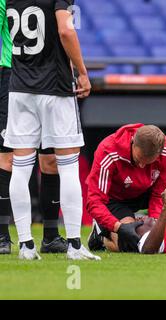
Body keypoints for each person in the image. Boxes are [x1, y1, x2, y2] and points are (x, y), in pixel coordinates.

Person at [4, 0, 97, 260]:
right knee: (67, 166)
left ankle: (25, 245)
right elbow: (66, 30)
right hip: (54, 87)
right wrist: (82, 72)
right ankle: (75, 246)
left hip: (20, 87)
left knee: (21, 167)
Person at [0, 0, 67, 255]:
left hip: (49, 78)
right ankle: (3, 236)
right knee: (8, 158)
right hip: (13, 77)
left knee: (50, 159)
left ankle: (50, 236)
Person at [86, 123, 166, 253]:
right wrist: (118, 227)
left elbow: (159, 194)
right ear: (133, 143)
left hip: (148, 191)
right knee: (133, 242)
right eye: (138, 159)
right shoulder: (108, 151)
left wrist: (154, 222)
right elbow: (94, 201)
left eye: (148, 162)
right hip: (116, 199)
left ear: (159, 153)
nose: (142, 166)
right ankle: (99, 236)